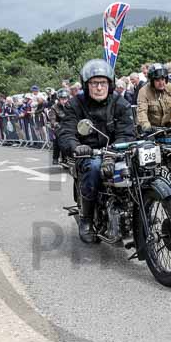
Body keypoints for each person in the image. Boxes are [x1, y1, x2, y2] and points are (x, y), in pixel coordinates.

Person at [58, 59, 135, 243]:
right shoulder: (75, 104)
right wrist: (76, 147)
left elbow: (127, 132)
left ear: (110, 83)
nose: (99, 87)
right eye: (94, 83)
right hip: (89, 153)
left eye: (103, 83)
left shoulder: (120, 103)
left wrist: (112, 153)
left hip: (116, 151)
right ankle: (87, 219)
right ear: (86, 85)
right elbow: (66, 132)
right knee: (93, 168)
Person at [47, 90, 70, 164]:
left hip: (70, 126)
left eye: (65, 98)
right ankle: (55, 157)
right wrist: (55, 123)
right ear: (59, 99)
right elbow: (52, 119)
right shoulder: (54, 107)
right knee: (57, 140)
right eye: (62, 99)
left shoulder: (71, 106)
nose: (64, 100)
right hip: (59, 127)